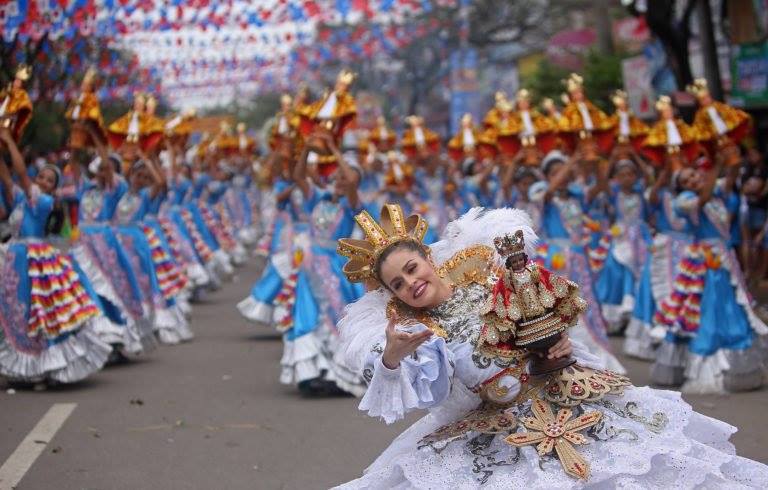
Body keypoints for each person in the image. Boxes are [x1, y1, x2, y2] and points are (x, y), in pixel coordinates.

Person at [332, 203, 768, 489]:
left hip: (564, 394)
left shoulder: (488, 274)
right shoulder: (412, 330)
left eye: (412, 268)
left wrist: (558, 340)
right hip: (495, 425)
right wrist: (391, 355)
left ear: (428, 257)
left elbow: (546, 308)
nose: (412, 283)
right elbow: (397, 386)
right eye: (398, 283)